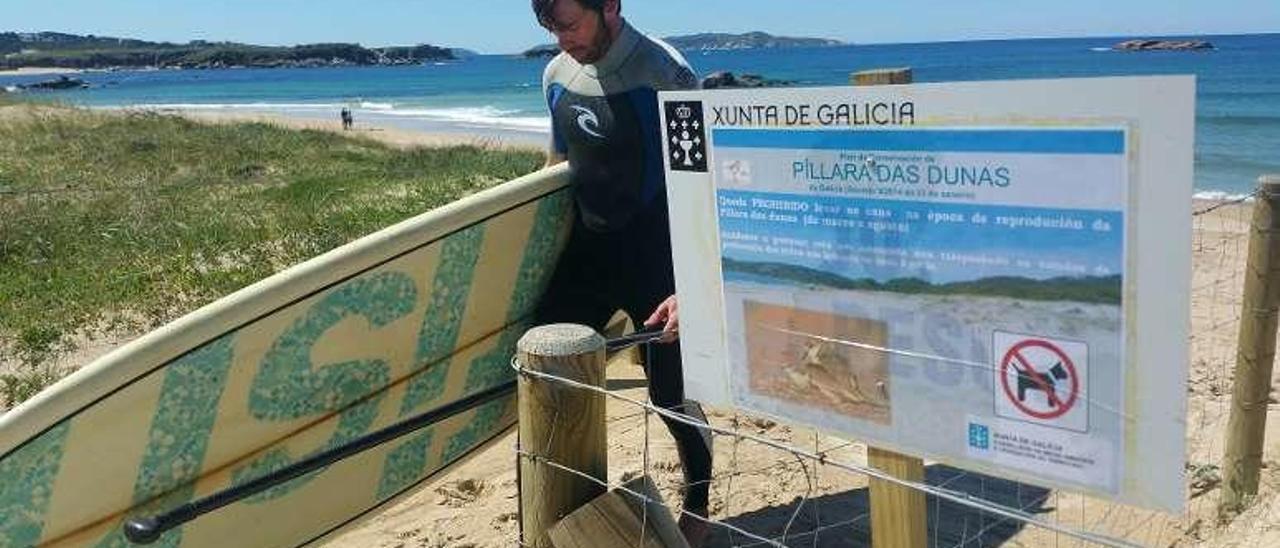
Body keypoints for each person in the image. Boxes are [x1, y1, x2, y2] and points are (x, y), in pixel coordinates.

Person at [531, 0, 711, 544]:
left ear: (609, 5)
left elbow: (700, 185)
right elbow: (557, 167)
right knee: (548, 365)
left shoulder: (666, 74)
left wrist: (693, 285)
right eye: (549, 26)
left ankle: (698, 502)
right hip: (590, 254)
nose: (561, 38)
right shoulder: (556, 76)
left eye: (568, 22)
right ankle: (574, 507)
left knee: (669, 395)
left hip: (659, 261)